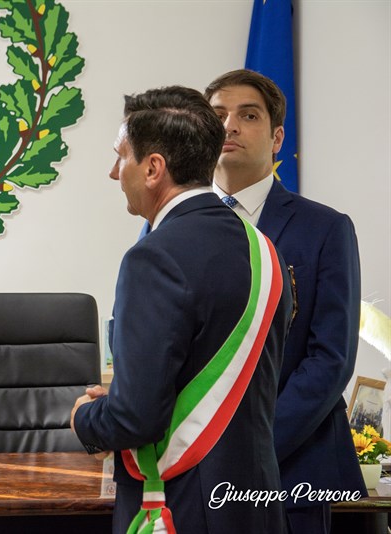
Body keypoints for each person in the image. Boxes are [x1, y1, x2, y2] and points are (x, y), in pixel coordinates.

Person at [71, 85, 292, 534]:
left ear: (153, 168)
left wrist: (84, 417)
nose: (115, 172)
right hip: (259, 506)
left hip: (184, 507)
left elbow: (135, 418)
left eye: (121, 156)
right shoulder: (265, 250)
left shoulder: (152, 257)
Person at [205, 69, 364, 533]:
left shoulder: (326, 229)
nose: (229, 126)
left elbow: (330, 359)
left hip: (296, 470)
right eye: (217, 116)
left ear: (277, 138)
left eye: (247, 115)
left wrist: (249, 451)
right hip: (194, 474)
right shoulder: (168, 227)